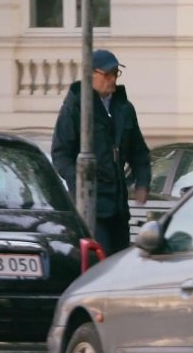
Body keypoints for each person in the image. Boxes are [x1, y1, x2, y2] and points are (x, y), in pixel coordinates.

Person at [51, 49, 151, 255]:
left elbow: (139, 152)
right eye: (107, 74)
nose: (113, 79)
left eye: (115, 73)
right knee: (100, 260)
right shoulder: (75, 108)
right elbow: (61, 155)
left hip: (118, 208)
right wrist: (81, 182)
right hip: (91, 208)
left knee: (118, 263)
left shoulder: (124, 108)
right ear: (90, 75)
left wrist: (143, 181)